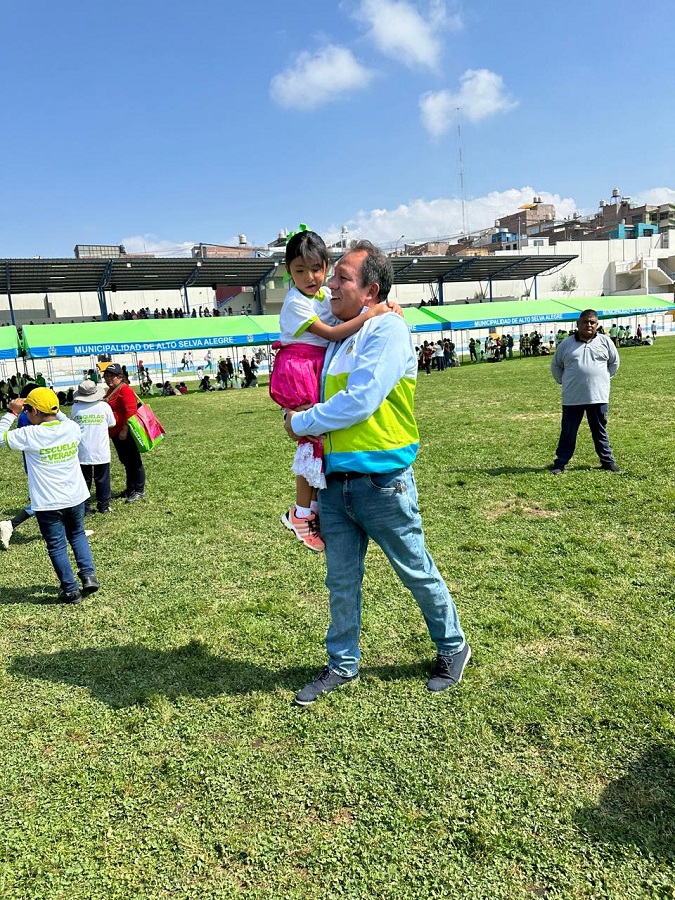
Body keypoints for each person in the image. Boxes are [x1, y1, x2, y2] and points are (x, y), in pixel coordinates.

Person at [284, 241, 470, 704]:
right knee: (340, 581)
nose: (328, 283)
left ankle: (453, 646)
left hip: (382, 483)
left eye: (341, 278)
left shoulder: (387, 331)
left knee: (415, 570)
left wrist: (301, 423)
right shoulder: (343, 335)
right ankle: (342, 663)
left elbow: (359, 402)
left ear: (370, 290)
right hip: (336, 483)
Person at [270, 229, 394, 554]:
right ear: (288, 272)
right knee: (310, 440)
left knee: (316, 440)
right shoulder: (296, 302)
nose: (310, 277)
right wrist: (373, 313)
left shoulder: (322, 294)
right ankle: (301, 513)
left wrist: (378, 309)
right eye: (299, 271)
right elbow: (332, 332)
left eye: (316, 269)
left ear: (325, 266)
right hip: (300, 368)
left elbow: (344, 313)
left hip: (313, 364)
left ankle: (310, 510)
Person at [0, 387, 99, 603]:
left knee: (56, 545)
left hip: (48, 502)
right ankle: (88, 576)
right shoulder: (72, 428)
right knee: (77, 535)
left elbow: (0, 438)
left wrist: (12, 413)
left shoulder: (29, 434)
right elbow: (60, 417)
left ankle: (70, 590)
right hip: (76, 496)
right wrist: (51, 405)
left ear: (34, 411)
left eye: (27, 410)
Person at [550, 309, 620, 475]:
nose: (589, 325)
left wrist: (601, 379)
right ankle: (560, 463)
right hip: (572, 397)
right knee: (568, 431)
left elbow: (614, 363)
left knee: (600, 430)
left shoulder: (605, 341)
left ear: (597, 325)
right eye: (585, 322)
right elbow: (556, 366)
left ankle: (607, 461)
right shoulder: (566, 344)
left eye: (592, 322)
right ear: (578, 324)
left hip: (598, 396)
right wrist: (563, 381)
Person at [71, 378, 116, 515]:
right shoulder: (104, 407)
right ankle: (104, 505)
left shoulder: (75, 407)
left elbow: (73, 424)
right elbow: (112, 423)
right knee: (102, 479)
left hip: (82, 450)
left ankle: (85, 508)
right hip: (100, 449)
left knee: (84, 480)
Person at [103, 363, 146, 502]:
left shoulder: (124, 390)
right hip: (116, 432)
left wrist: (124, 430)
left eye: (111, 376)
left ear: (119, 377)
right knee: (126, 461)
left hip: (125, 431)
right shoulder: (111, 390)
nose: (108, 379)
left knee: (134, 460)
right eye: (106, 376)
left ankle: (139, 489)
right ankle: (130, 489)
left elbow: (130, 412)